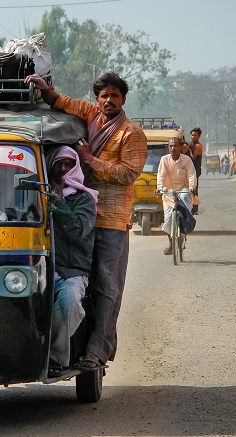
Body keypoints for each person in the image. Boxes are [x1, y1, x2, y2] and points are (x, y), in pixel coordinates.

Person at [24, 72, 147, 370]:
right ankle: (69, 346)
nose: (108, 101)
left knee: (106, 287)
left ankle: (97, 350)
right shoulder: (91, 115)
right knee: (74, 281)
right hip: (78, 210)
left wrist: (89, 159)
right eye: (103, 96)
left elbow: (128, 174)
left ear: (123, 100)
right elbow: (64, 103)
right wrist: (45, 90)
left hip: (110, 219)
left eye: (114, 96)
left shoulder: (132, 133)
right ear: (97, 99)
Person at [45, 146, 98, 375]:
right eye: (60, 164)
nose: (64, 169)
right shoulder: (38, 194)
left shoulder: (84, 199)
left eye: (69, 164)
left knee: (69, 303)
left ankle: (53, 358)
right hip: (41, 269)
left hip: (73, 272)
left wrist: (57, 201)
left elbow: (77, 230)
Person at [156, 137, 197, 255]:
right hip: (169, 192)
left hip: (183, 189)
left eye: (175, 146)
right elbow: (161, 176)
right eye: (171, 146)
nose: (173, 148)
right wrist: (159, 188)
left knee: (184, 198)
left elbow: (192, 175)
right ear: (168, 147)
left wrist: (192, 187)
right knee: (168, 218)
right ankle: (171, 244)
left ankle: (186, 220)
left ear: (180, 147)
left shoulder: (186, 160)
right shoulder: (164, 160)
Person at [189, 128, 202, 215]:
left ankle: (195, 208)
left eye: (195, 135)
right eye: (192, 135)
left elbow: (192, 157)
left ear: (199, 136)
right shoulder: (191, 145)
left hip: (195, 170)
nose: (193, 137)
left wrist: (187, 149)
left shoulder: (198, 146)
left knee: (194, 189)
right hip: (190, 169)